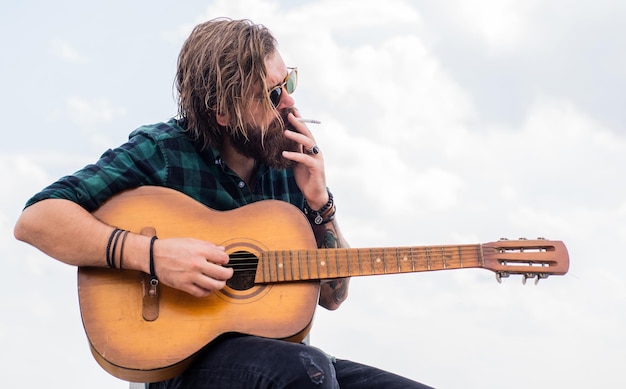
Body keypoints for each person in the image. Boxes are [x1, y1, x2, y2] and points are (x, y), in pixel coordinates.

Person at [14, 18, 432, 389]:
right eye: (271, 95)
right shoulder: (162, 151)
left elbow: (332, 296)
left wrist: (320, 203)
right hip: (186, 368)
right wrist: (153, 254)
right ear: (222, 113)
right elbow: (37, 218)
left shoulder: (288, 164)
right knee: (305, 369)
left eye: (289, 82)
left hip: (293, 367)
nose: (288, 102)